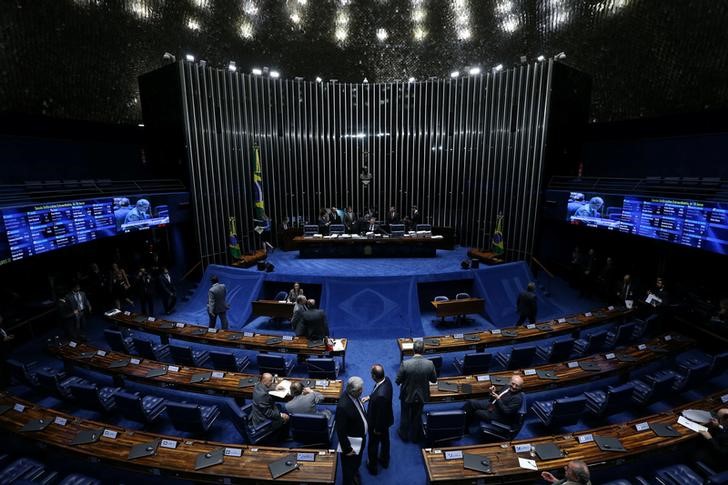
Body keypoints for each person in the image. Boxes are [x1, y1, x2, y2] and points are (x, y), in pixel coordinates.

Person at [396, 340, 437, 442]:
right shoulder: (430, 364)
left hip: (407, 394)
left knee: (405, 414)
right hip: (422, 394)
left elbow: (398, 380)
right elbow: (434, 380)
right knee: (417, 416)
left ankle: (404, 434)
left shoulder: (405, 364)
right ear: (423, 350)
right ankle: (415, 437)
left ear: (413, 350)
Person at [336, 376, 368, 485]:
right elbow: (340, 431)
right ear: (352, 391)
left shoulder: (354, 396)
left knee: (356, 461)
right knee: (348, 467)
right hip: (351, 443)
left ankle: (355, 472)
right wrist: (347, 449)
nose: (362, 391)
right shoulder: (343, 407)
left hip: (360, 438)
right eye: (360, 390)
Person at [364, 364, 393, 475]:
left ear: (374, 376)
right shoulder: (387, 381)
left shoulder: (380, 396)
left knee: (373, 444)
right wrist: (370, 397)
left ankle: (372, 467)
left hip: (377, 424)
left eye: (371, 373)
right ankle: (385, 461)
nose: (370, 375)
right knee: (385, 441)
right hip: (386, 420)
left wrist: (377, 428)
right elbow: (377, 391)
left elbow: (380, 413)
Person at [249, 373, 289, 438]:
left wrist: (275, 388)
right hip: (263, 421)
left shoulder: (257, 385)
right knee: (286, 417)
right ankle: (284, 437)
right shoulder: (263, 396)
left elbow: (266, 388)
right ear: (264, 381)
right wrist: (281, 415)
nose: (272, 382)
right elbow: (269, 413)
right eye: (270, 380)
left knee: (279, 406)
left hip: (257, 413)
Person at [0, 314, 15, 388]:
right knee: (4, 367)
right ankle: (6, 383)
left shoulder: (2, 326)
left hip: (6, 349)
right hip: (1, 351)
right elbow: (2, 339)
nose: (1, 318)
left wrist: (9, 336)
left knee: (8, 365)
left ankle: (10, 380)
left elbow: (5, 334)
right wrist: (7, 338)